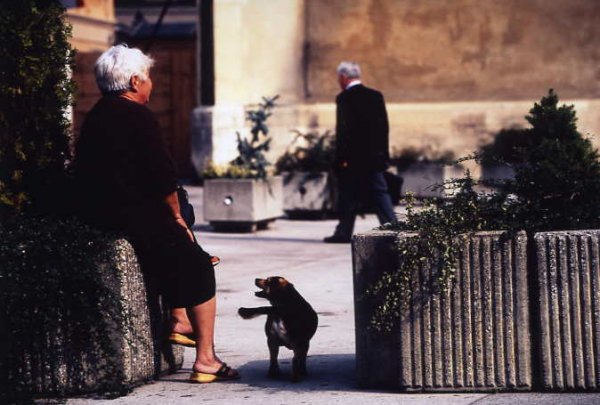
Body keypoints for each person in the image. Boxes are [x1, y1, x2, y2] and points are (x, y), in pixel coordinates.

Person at [73, 44, 239, 383]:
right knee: (198, 262)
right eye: (148, 77)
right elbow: (163, 177)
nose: (150, 84)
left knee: (179, 238)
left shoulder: (96, 115)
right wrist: (178, 219)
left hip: (101, 214)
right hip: (135, 216)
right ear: (135, 81)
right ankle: (206, 359)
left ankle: (179, 318)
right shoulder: (138, 116)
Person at [324, 61, 396, 243]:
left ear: (343, 77)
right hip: (373, 158)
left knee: (347, 196)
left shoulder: (344, 98)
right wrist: (383, 156)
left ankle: (343, 232)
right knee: (380, 193)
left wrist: (341, 159)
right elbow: (383, 128)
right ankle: (393, 228)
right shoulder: (375, 96)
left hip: (352, 159)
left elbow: (343, 132)